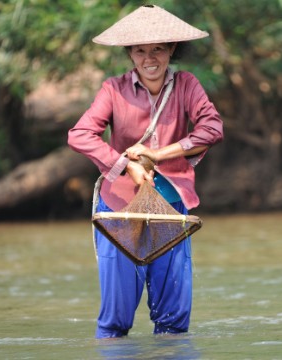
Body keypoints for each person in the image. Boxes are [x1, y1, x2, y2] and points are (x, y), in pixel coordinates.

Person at [67, 4, 223, 338]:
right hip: (119, 211)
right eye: (140, 51)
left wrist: (157, 155)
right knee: (114, 321)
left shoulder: (186, 85)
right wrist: (126, 166)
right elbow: (80, 135)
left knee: (173, 320)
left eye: (158, 50)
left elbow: (212, 127)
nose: (149, 59)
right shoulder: (113, 89)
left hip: (170, 209)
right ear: (130, 54)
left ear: (171, 50)